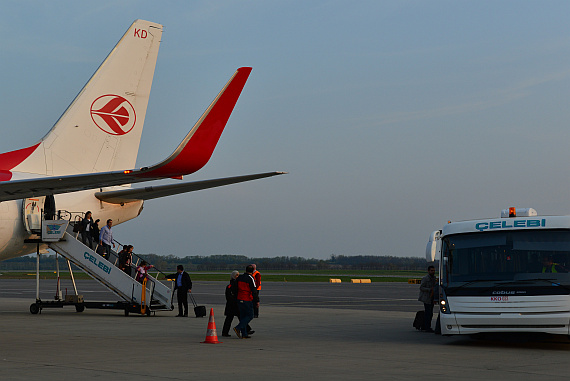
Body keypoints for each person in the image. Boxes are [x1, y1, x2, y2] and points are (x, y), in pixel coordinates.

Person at [233, 265, 259, 339]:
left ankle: (244, 334)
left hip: (239, 299)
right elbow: (254, 290)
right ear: (253, 271)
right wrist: (257, 300)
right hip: (247, 299)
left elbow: (235, 288)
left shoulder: (240, 278)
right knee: (250, 315)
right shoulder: (251, 278)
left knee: (243, 316)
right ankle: (238, 327)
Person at [418, 265, 437, 332]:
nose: (433, 272)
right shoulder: (425, 278)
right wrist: (429, 289)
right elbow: (421, 287)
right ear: (428, 271)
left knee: (430, 313)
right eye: (431, 270)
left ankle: (425, 326)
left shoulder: (434, 278)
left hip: (431, 298)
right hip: (426, 298)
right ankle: (427, 327)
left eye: (434, 270)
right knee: (428, 313)